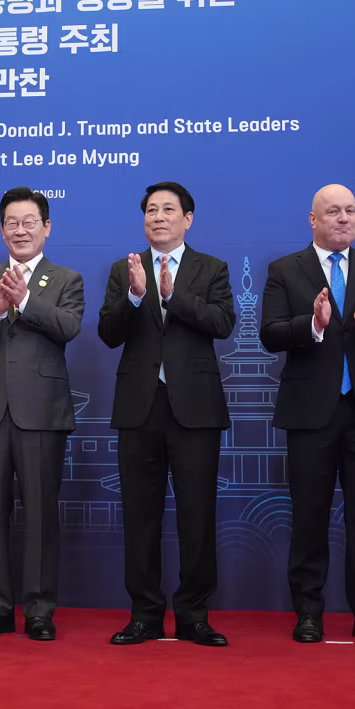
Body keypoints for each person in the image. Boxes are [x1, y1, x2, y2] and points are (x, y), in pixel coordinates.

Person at [260, 184, 355, 645]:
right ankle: (308, 612)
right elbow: (270, 333)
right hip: (311, 412)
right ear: (312, 219)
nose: (344, 219)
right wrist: (314, 325)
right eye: (333, 212)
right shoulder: (286, 269)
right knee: (309, 515)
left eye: (350, 211)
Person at [97, 181, 236, 646]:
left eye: (168, 209)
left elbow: (222, 323)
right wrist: (136, 297)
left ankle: (195, 615)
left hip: (194, 409)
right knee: (140, 517)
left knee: (197, 515)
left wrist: (173, 295)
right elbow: (108, 334)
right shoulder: (124, 269)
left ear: (188, 218)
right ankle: (145, 614)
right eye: (151, 210)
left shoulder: (211, 268)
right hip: (140, 408)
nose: (158, 217)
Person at [0, 187, 84, 641]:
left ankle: (40, 610)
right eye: (12, 222)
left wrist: (25, 302)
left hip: (42, 413)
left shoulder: (66, 278)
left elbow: (68, 327)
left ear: (46, 227)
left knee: (42, 515)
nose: (20, 230)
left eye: (30, 221)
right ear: (2, 228)